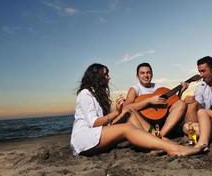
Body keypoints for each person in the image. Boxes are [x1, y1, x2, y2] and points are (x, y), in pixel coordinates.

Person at [70, 63, 203, 156]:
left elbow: (171, 103)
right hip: (86, 138)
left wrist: (180, 94)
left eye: (148, 72)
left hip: (162, 123)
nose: (109, 77)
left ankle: (181, 140)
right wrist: (147, 102)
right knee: (127, 123)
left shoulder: (97, 95)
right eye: (105, 75)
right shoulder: (85, 94)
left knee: (188, 104)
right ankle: (171, 147)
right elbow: (95, 123)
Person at [124, 63, 188, 138]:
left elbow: (173, 102)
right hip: (145, 122)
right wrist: (148, 101)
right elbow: (127, 108)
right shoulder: (135, 89)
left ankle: (160, 136)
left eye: (148, 72)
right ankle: (158, 136)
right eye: (142, 73)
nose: (145, 75)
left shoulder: (159, 88)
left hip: (162, 121)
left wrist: (181, 91)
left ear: (152, 74)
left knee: (181, 103)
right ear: (137, 76)